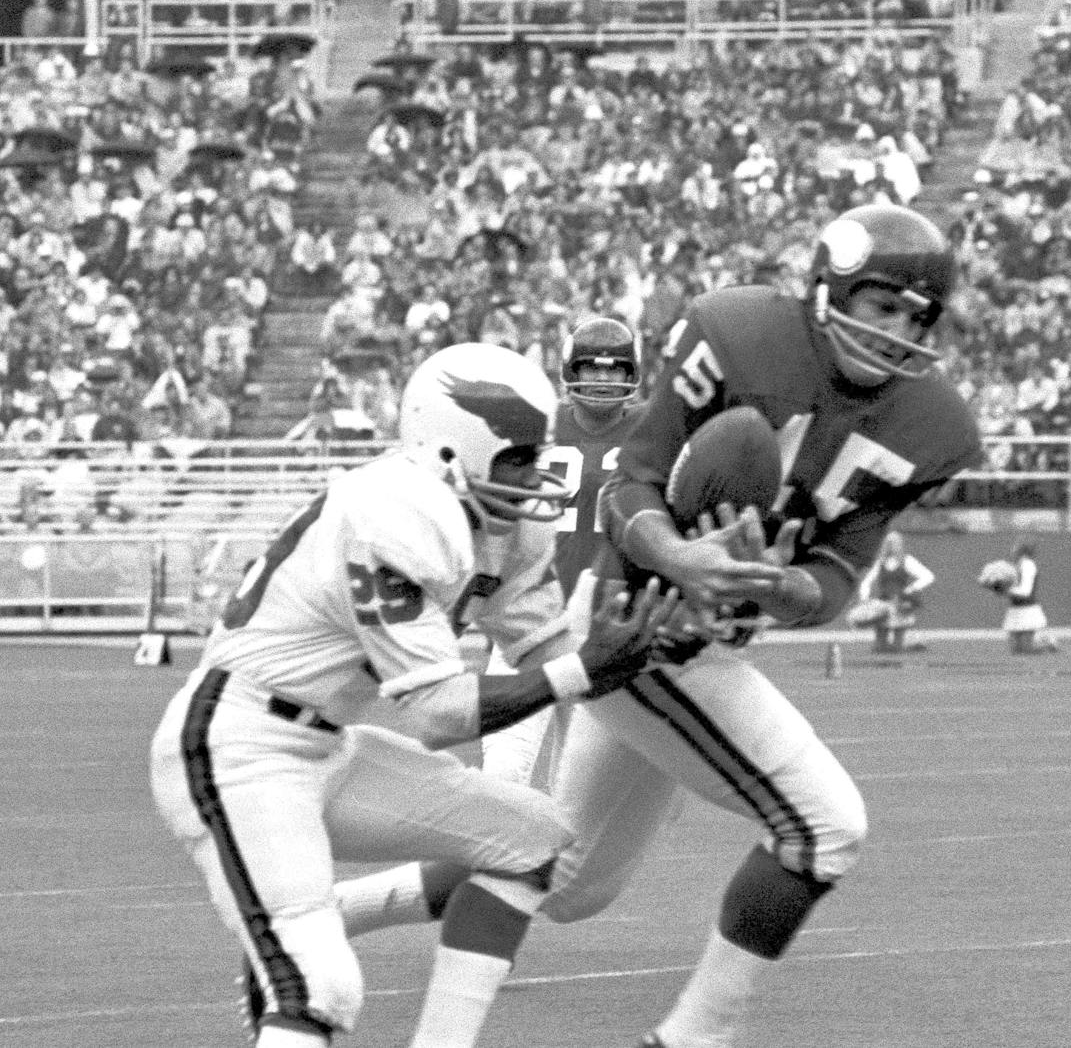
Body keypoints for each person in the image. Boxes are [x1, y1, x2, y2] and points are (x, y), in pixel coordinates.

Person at [330, 203, 982, 1048]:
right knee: (825, 825)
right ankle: (693, 1037)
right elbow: (630, 484)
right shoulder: (738, 335)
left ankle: (331, 913)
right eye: (880, 305)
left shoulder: (932, 426)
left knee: (563, 881)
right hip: (635, 619)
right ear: (829, 291)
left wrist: (783, 586)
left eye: (912, 316)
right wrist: (680, 555)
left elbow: (840, 574)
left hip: (699, 639)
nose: (895, 330)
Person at [149, 343, 678, 1047]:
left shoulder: (505, 526)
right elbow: (437, 715)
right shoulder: (391, 509)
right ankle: (289, 970)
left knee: (532, 840)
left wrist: (639, 648)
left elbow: (547, 650)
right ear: (453, 452)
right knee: (322, 987)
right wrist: (583, 671)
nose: (535, 474)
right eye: (517, 456)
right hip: (238, 744)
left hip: (327, 745)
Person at [481, 316, 647, 785]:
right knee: (503, 772)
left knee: (573, 789)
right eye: (591, 368)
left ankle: (552, 860)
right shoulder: (537, 422)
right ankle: (500, 857)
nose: (601, 379)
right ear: (570, 369)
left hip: (601, 625)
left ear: (630, 373)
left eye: (613, 369)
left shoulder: (654, 429)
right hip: (526, 615)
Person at [846, 530, 936, 653]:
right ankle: (911, 648)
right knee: (880, 645)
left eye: (895, 543)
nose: (892, 546)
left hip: (900, 605)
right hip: (883, 606)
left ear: (900, 545)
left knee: (897, 644)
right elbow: (866, 582)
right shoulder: (881, 563)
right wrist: (864, 599)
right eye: (890, 543)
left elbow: (928, 576)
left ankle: (906, 653)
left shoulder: (907, 561)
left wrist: (911, 588)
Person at [1000, 539, 1058, 655]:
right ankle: (1045, 641)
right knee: (1015, 650)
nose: (1013, 550)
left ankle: (1046, 643)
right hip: (1015, 609)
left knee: (1026, 650)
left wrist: (1006, 590)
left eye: (1016, 547)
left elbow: (1025, 591)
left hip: (1027, 610)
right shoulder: (1018, 565)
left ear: (1022, 550)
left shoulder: (1028, 565)